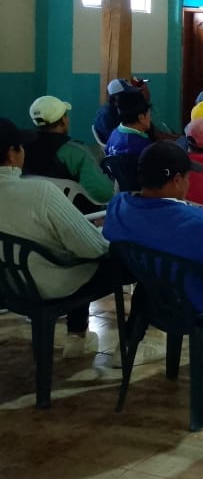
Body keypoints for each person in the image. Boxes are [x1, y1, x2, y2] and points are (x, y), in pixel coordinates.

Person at [102, 142, 203, 379]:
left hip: (155, 297)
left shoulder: (118, 206)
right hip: (200, 303)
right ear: (177, 180)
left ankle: (129, 342)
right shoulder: (193, 221)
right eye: (189, 177)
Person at [0, 117, 113, 358]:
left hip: (8, 286)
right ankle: (80, 336)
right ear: (11, 154)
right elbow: (93, 248)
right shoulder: (40, 193)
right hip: (48, 287)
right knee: (114, 260)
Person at [24, 95, 114, 210]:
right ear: (63, 120)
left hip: (30, 208)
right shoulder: (76, 152)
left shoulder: (21, 148)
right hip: (71, 213)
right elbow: (103, 194)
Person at [104, 89, 153, 158]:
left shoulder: (115, 132)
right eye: (149, 114)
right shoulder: (144, 145)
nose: (150, 118)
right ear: (141, 117)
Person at [93, 77, 141, 144]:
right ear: (116, 97)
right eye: (128, 95)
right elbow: (119, 140)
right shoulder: (108, 115)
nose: (131, 98)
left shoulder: (115, 110)